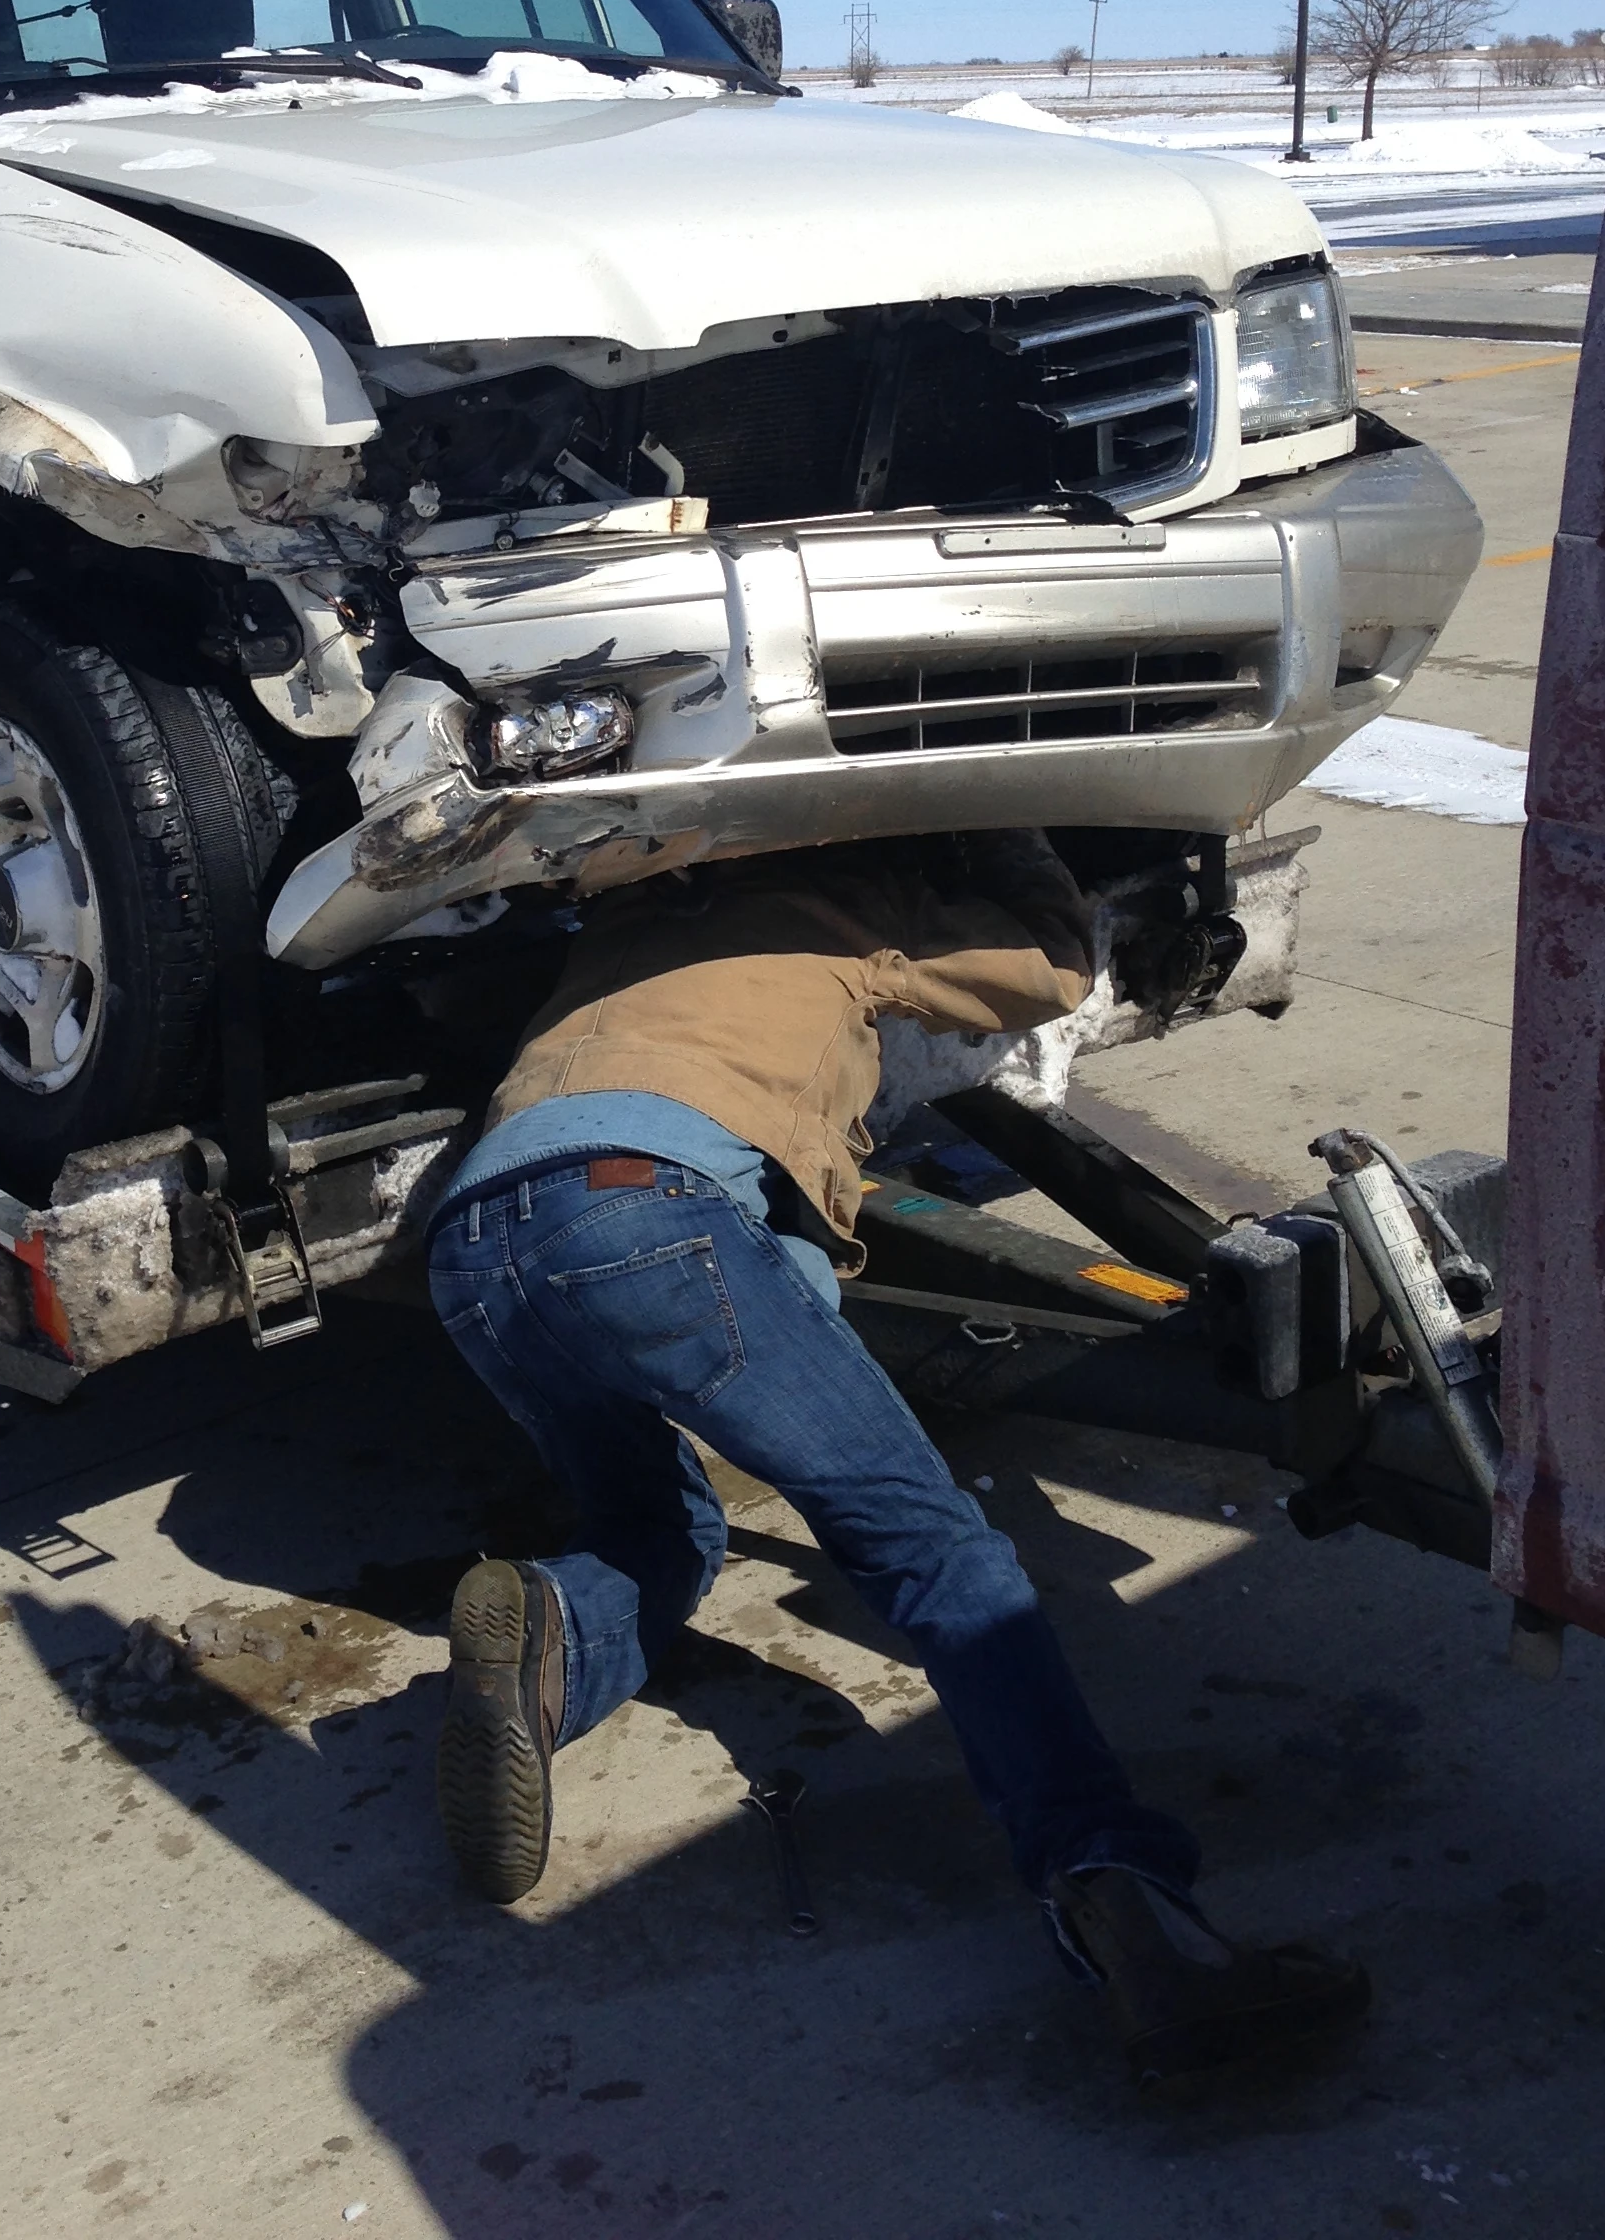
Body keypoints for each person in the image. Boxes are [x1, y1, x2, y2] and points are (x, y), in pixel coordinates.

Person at [424, 835, 1369, 2083]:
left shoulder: (619, 933)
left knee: (659, 1529)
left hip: (477, 1248)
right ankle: (1134, 1906)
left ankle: (549, 1629)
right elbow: (1052, 967)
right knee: (935, 1553)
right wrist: (1016, 841)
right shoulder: (839, 914)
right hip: (647, 1209)